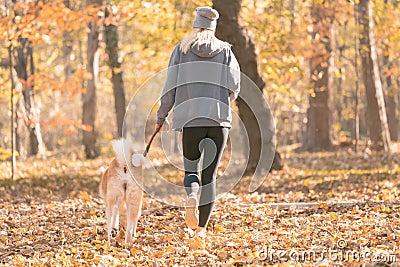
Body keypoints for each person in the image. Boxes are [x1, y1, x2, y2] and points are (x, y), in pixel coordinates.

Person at [155, 6, 240, 238]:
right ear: (213, 27)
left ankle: (191, 195)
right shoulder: (225, 51)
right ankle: (201, 230)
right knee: (210, 176)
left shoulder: (181, 50)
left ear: (195, 25)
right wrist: (223, 98)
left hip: (190, 121)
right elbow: (235, 86)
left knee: (191, 171)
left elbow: (169, 87)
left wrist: (161, 116)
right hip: (218, 121)